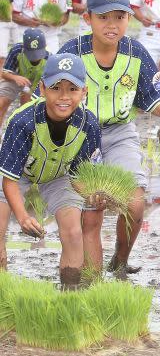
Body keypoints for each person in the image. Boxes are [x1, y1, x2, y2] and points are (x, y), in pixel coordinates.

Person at [59, 0, 160, 276]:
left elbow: (154, 97)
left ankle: (120, 262)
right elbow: (48, 99)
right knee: (92, 211)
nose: (112, 25)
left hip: (121, 133)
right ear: (88, 19)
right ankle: (90, 281)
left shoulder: (136, 53)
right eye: (103, 17)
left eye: (119, 17)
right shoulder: (72, 54)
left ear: (129, 19)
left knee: (135, 205)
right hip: (80, 136)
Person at [0, 52, 101, 287]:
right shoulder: (22, 121)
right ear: (43, 89)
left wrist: (95, 195)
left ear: (84, 91)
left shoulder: (90, 125)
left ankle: (70, 292)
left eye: (72, 89)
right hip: (17, 174)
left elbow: (82, 176)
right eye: (56, 88)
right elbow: (9, 181)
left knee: (73, 232)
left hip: (59, 175)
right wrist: (23, 217)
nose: (63, 97)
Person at [0, 28, 49, 126]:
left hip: (36, 83)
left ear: (45, 46)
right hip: (15, 77)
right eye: (31, 53)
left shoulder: (49, 58)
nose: (35, 58)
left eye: (38, 53)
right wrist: (16, 78)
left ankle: (23, 130)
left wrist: (30, 93)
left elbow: (46, 84)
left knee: (26, 108)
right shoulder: (17, 50)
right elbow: (4, 73)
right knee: (2, 103)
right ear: (24, 46)